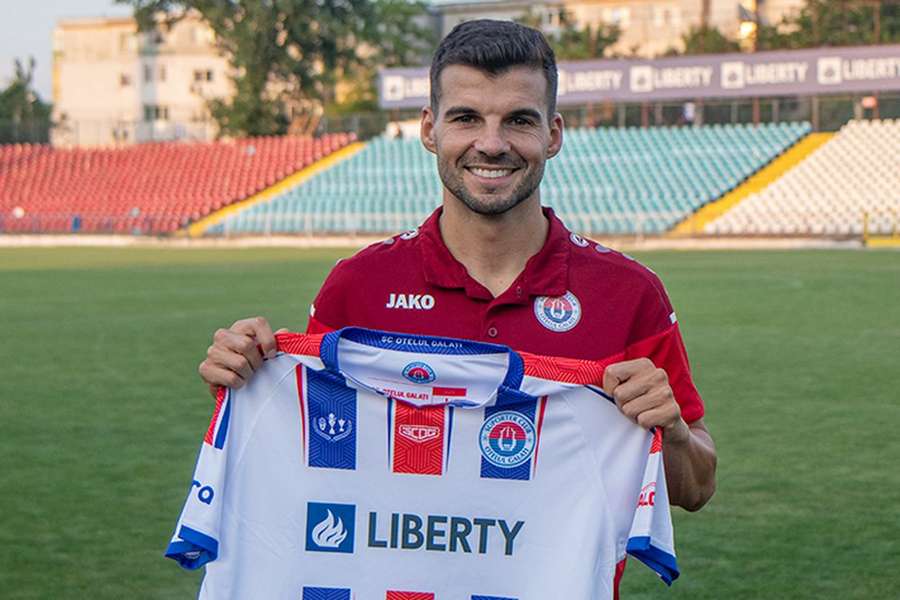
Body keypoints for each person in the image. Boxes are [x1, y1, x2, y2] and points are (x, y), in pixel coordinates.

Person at [198, 19, 716, 511]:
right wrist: (250, 381)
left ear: (553, 134)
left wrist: (669, 434)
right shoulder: (356, 287)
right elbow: (305, 455)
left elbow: (695, 488)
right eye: (466, 118)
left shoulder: (629, 293)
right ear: (430, 129)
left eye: (519, 120)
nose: (491, 144)